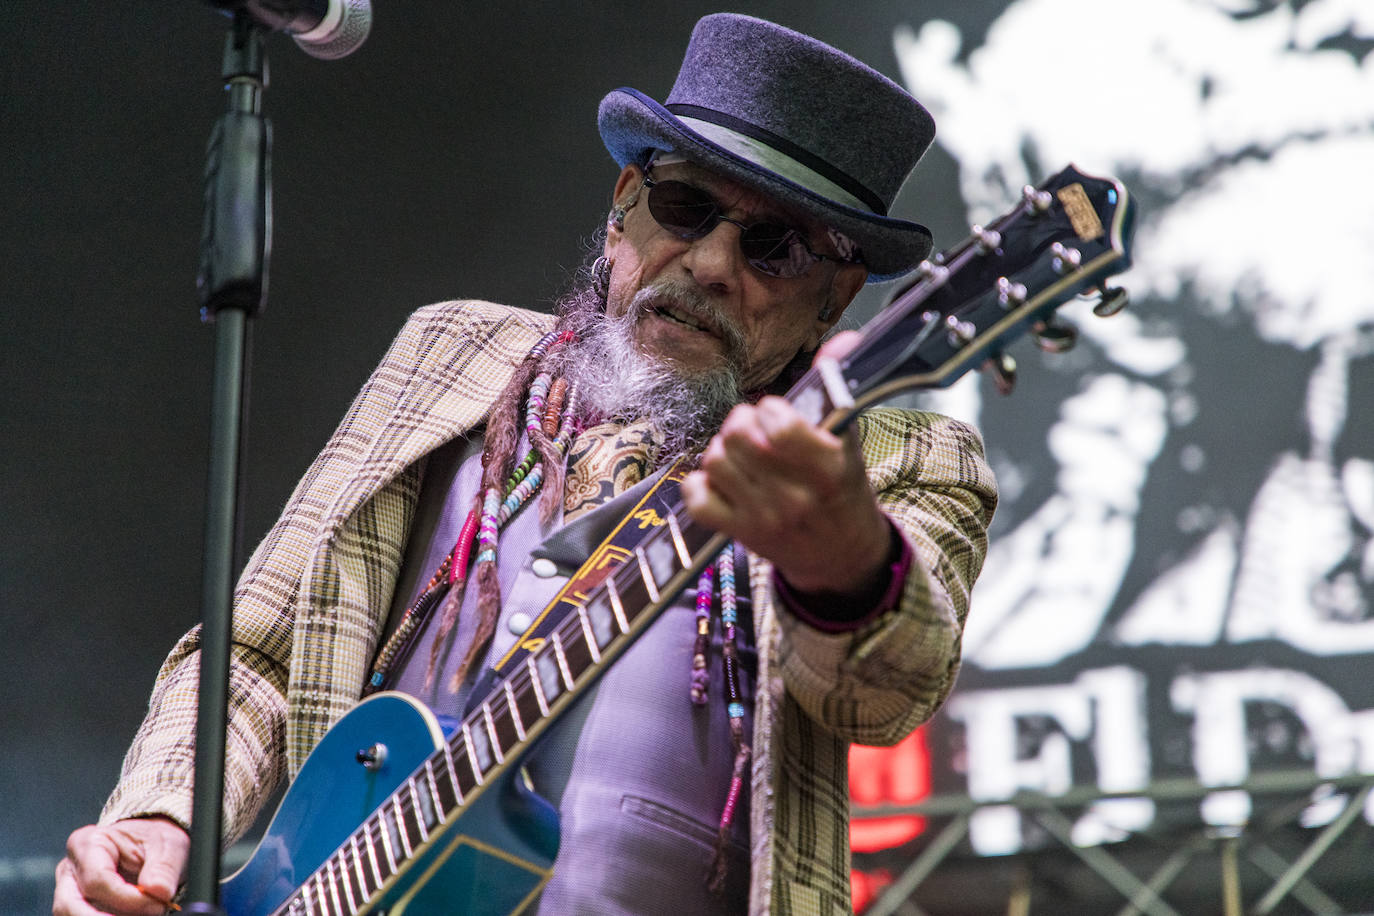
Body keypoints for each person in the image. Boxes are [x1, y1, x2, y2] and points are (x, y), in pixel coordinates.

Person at [55, 13, 997, 916]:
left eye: (775, 246)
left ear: (833, 301)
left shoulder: (901, 462)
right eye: (684, 205)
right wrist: (155, 816)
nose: (711, 263)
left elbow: (884, 696)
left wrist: (841, 557)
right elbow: (257, 655)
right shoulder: (453, 355)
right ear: (623, 203)